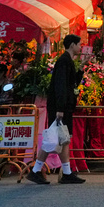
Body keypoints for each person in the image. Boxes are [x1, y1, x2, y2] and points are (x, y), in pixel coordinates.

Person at [27, 34, 85, 185]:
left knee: (63, 139)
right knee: (55, 138)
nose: (80, 47)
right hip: (61, 107)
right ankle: (37, 171)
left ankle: (65, 172)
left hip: (64, 106)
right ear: (72, 45)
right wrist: (60, 108)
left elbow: (71, 84)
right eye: (79, 44)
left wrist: (80, 69)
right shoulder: (63, 61)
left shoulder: (68, 61)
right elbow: (61, 86)